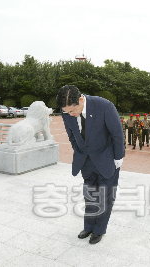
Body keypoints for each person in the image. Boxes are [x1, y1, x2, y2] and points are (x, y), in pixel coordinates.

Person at [56, 85, 124, 244]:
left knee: (105, 198)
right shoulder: (66, 110)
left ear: (80, 99)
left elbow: (117, 133)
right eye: (66, 112)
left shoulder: (104, 106)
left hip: (106, 159)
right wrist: (79, 151)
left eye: (73, 110)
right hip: (85, 160)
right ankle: (88, 226)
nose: (70, 114)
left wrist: (118, 157)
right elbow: (71, 135)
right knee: (90, 195)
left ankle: (99, 230)